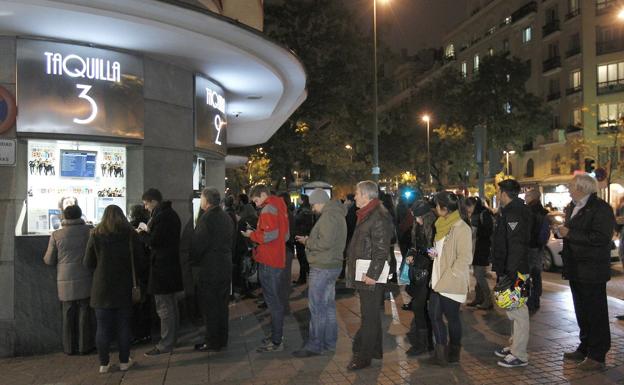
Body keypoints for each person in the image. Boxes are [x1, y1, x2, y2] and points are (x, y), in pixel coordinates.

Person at [560, 174, 615, 371]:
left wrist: (570, 234)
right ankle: (585, 347)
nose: (568, 188)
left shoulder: (600, 208)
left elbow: (601, 238)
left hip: (592, 270)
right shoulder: (574, 206)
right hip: (576, 268)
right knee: (582, 311)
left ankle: (597, 355)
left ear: (582, 188)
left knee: (595, 312)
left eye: (570, 186)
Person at [84, 205, 144, 373]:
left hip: (101, 287)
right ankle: (124, 361)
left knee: (102, 327)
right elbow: (140, 260)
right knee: (124, 326)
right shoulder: (131, 234)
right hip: (124, 286)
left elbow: (88, 262)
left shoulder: (95, 234)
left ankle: (104, 364)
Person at [292, 189, 347, 358]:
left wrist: (308, 241)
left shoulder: (329, 216)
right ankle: (330, 342)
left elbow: (324, 242)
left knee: (317, 308)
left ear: (321, 201)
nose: (313, 208)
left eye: (314, 204)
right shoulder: (336, 214)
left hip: (323, 266)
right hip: (332, 264)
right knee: (328, 306)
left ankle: (315, 345)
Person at [345, 180, 393, 370]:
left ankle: (364, 357)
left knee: (369, 316)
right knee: (371, 314)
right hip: (365, 271)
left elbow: (381, 250)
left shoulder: (378, 215)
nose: (354, 196)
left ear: (366, 195)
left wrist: (373, 274)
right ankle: (375, 351)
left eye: (357, 193)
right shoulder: (368, 213)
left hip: (370, 274)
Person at [425, 192, 472, 366]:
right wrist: (434, 254)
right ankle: (440, 352)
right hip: (437, 279)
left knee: (452, 318)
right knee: (434, 315)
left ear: (444, 208)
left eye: (437, 205)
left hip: (451, 281)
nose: (435, 208)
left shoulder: (461, 228)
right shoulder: (441, 225)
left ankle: (454, 352)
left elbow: (465, 258)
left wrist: (450, 275)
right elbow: (442, 251)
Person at [241, 184, 289, 352]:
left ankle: (276, 341)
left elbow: (269, 235)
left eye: (255, 200)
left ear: (262, 194)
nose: (255, 204)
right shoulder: (280, 206)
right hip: (278, 258)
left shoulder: (268, 209)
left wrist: (251, 235)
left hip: (269, 260)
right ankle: (277, 335)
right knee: (276, 301)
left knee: (273, 302)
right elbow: (285, 235)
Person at [138, 188, 184, 357]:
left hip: (162, 268)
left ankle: (166, 343)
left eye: (146, 203)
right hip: (169, 267)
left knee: (164, 307)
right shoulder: (169, 214)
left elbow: (155, 241)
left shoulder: (163, 217)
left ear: (153, 201)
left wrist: (142, 233)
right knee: (171, 305)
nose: (145, 208)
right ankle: (172, 338)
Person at [43, 204, 94, 356]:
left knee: (67, 311)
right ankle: (84, 346)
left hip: (65, 278)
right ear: (80, 215)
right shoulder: (88, 232)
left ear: (64, 216)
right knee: (85, 310)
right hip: (85, 275)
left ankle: (69, 348)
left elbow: (49, 260)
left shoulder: (56, 235)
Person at [491, 179, 532, 368]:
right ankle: (515, 345)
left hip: (516, 269)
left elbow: (515, 244)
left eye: (499, 192)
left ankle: (520, 354)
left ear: (504, 193)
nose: (498, 196)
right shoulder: (512, 210)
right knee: (513, 309)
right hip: (512, 267)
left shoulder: (514, 212)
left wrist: (510, 272)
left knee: (518, 311)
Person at [191, 187, 234, 352]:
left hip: (210, 268)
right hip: (224, 265)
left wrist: (194, 261)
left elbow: (198, 245)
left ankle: (212, 340)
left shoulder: (206, 218)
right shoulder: (225, 217)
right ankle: (222, 339)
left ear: (206, 200)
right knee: (222, 306)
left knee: (210, 307)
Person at [404, 198, 436, 356]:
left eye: (417, 217)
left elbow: (434, 253)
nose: (416, 220)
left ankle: (423, 343)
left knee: (419, 306)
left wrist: (423, 253)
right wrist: (411, 254)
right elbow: (414, 246)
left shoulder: (434, 228)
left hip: (429, 273)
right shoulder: (417, 227)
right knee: (420, 307)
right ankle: (425, 341)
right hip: (419, 272)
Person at [128, 204, 152, 345]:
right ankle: (145, 333)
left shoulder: (129, 231)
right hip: (145, 272)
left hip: (134, 273)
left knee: (135, 306)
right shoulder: (146, 228)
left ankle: (137, 334)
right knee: (145, 304)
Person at [464, 197, 494, 310]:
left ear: (472, 205)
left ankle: (488, 300)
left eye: (468, 208)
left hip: (482, 249)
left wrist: (476, 233)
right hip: (478, 248)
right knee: (477, 275)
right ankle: (479, 298)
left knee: (479, 275)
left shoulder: (482, 214)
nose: (468, 211)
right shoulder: (479, 213)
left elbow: (487, 231)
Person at [525, 189, 549, 315]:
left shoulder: (528, 211)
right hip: (539, 247)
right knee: (537, 274)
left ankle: (529, 301)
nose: (525, 197)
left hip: (529, 247)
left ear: (533, 197)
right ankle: (536, 299)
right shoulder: (543, 212)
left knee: (526, 275)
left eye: (527, 195)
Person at [294, 194, 314, 285]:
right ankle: (303, 278)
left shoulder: (304, 211)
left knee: (303, 259)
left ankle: (305, 278)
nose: (297, 200)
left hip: (302, 237)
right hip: (303, 236)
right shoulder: (306, 209)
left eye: (299, 199)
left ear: (302, 200)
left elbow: (297, 221)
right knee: (303, 258)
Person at [340, 193, 358, 279]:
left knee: (347, 257)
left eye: (346, 200)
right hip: (350, 237)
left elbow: (349, 226)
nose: (345, 202)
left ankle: (345, 274)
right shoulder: (352, 210)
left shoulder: (351, 212)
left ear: (350, 201)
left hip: (350, 238)